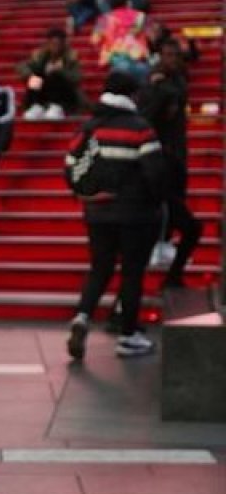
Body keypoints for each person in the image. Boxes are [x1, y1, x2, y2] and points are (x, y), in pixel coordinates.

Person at [64, 72, 163, 360]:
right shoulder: (140, 129)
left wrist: (90, 196)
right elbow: (155, 174)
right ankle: (129, 335)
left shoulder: (89, 128)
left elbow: (70, 166)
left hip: (97, 213)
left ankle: (82, 316)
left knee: (100, 268)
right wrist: (155, 203)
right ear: (131, 95)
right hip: (135, 214)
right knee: (132, 273)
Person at [141, 40, 201, 288]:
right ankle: (160, 245)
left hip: (176, 157)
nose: (172, 60)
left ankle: (167, 257)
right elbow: (146, 117)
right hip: (159, 159)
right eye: (167, 55)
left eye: (176, 55)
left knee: (180, 210)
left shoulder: (178, 81)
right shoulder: (154, 83)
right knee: (170, 211)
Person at [17, 28, 85, 118]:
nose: (55, 47)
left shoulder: (70, 58)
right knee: (36, 77)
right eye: (52, 44)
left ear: (63, 44)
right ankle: (36, 106)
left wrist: (60, 71)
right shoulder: (40, 56)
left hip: (64, 93)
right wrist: (30, 75)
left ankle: (57, 108)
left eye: (58, 44)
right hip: (44, 91)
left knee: (55, 76)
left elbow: (77, 77)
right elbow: (22, 66)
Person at [93, 5, 151, 81]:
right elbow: (152, 35)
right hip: (137, 60)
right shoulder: (141, 16)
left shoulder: (104, 18)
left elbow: (95, 40)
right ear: (128, 2)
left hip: (115, 61)